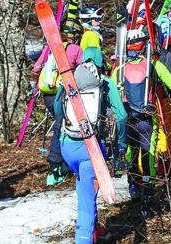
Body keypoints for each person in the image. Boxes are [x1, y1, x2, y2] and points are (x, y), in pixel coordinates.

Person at [55, 61, 127, 244]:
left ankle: (93, 230)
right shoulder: (105, 83)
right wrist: (121, 146)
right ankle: (85, 237)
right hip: (91, 149)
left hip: (67, 146)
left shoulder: (69, 81)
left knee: (84, 188)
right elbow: (122, 117)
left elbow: (57, 109)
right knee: (86, 203)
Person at [115, 28, 171, 215]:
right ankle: (147, 200)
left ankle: (133, 187)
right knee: (148, 157)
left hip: (127, 120)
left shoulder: (119, 69)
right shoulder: (153, 65)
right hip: (146, 119)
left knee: (132, 153)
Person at [40, 26, 83, 186]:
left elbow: (36, 68)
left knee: (60, 126)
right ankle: (55, 167)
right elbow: (85, 69)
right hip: (64, 94)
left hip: (48, 96)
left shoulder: (49, 49)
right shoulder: (75, 49)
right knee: (61, 127)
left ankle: (62, 162)